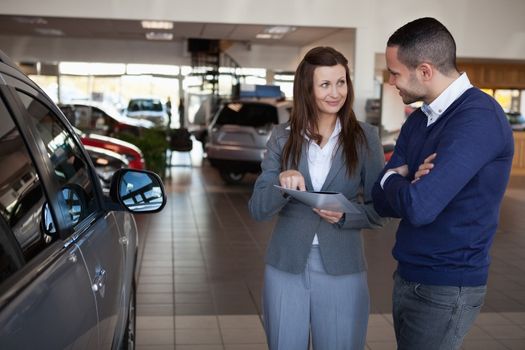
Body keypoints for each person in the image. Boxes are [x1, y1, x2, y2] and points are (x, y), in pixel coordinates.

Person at [371, 17, 514, 350]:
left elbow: (419, 207)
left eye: (395, 73)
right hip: (408, 274)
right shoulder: (420, 119)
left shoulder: (478, 118)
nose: (391, 81)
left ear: (424, 71)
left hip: (447, 286)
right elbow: (379, 199)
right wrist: (400, 179)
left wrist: (392, 176)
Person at [249, 46, 385, 350]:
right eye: (325, 84)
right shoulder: (282, 137)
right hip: (286, 265)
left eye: (341, 82)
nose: (335, 93)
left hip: (342, 265)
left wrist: (347, 215)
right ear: (307, 89)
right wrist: (281, 186)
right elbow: (257, 209)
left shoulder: (366, 138)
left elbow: (379, 211)